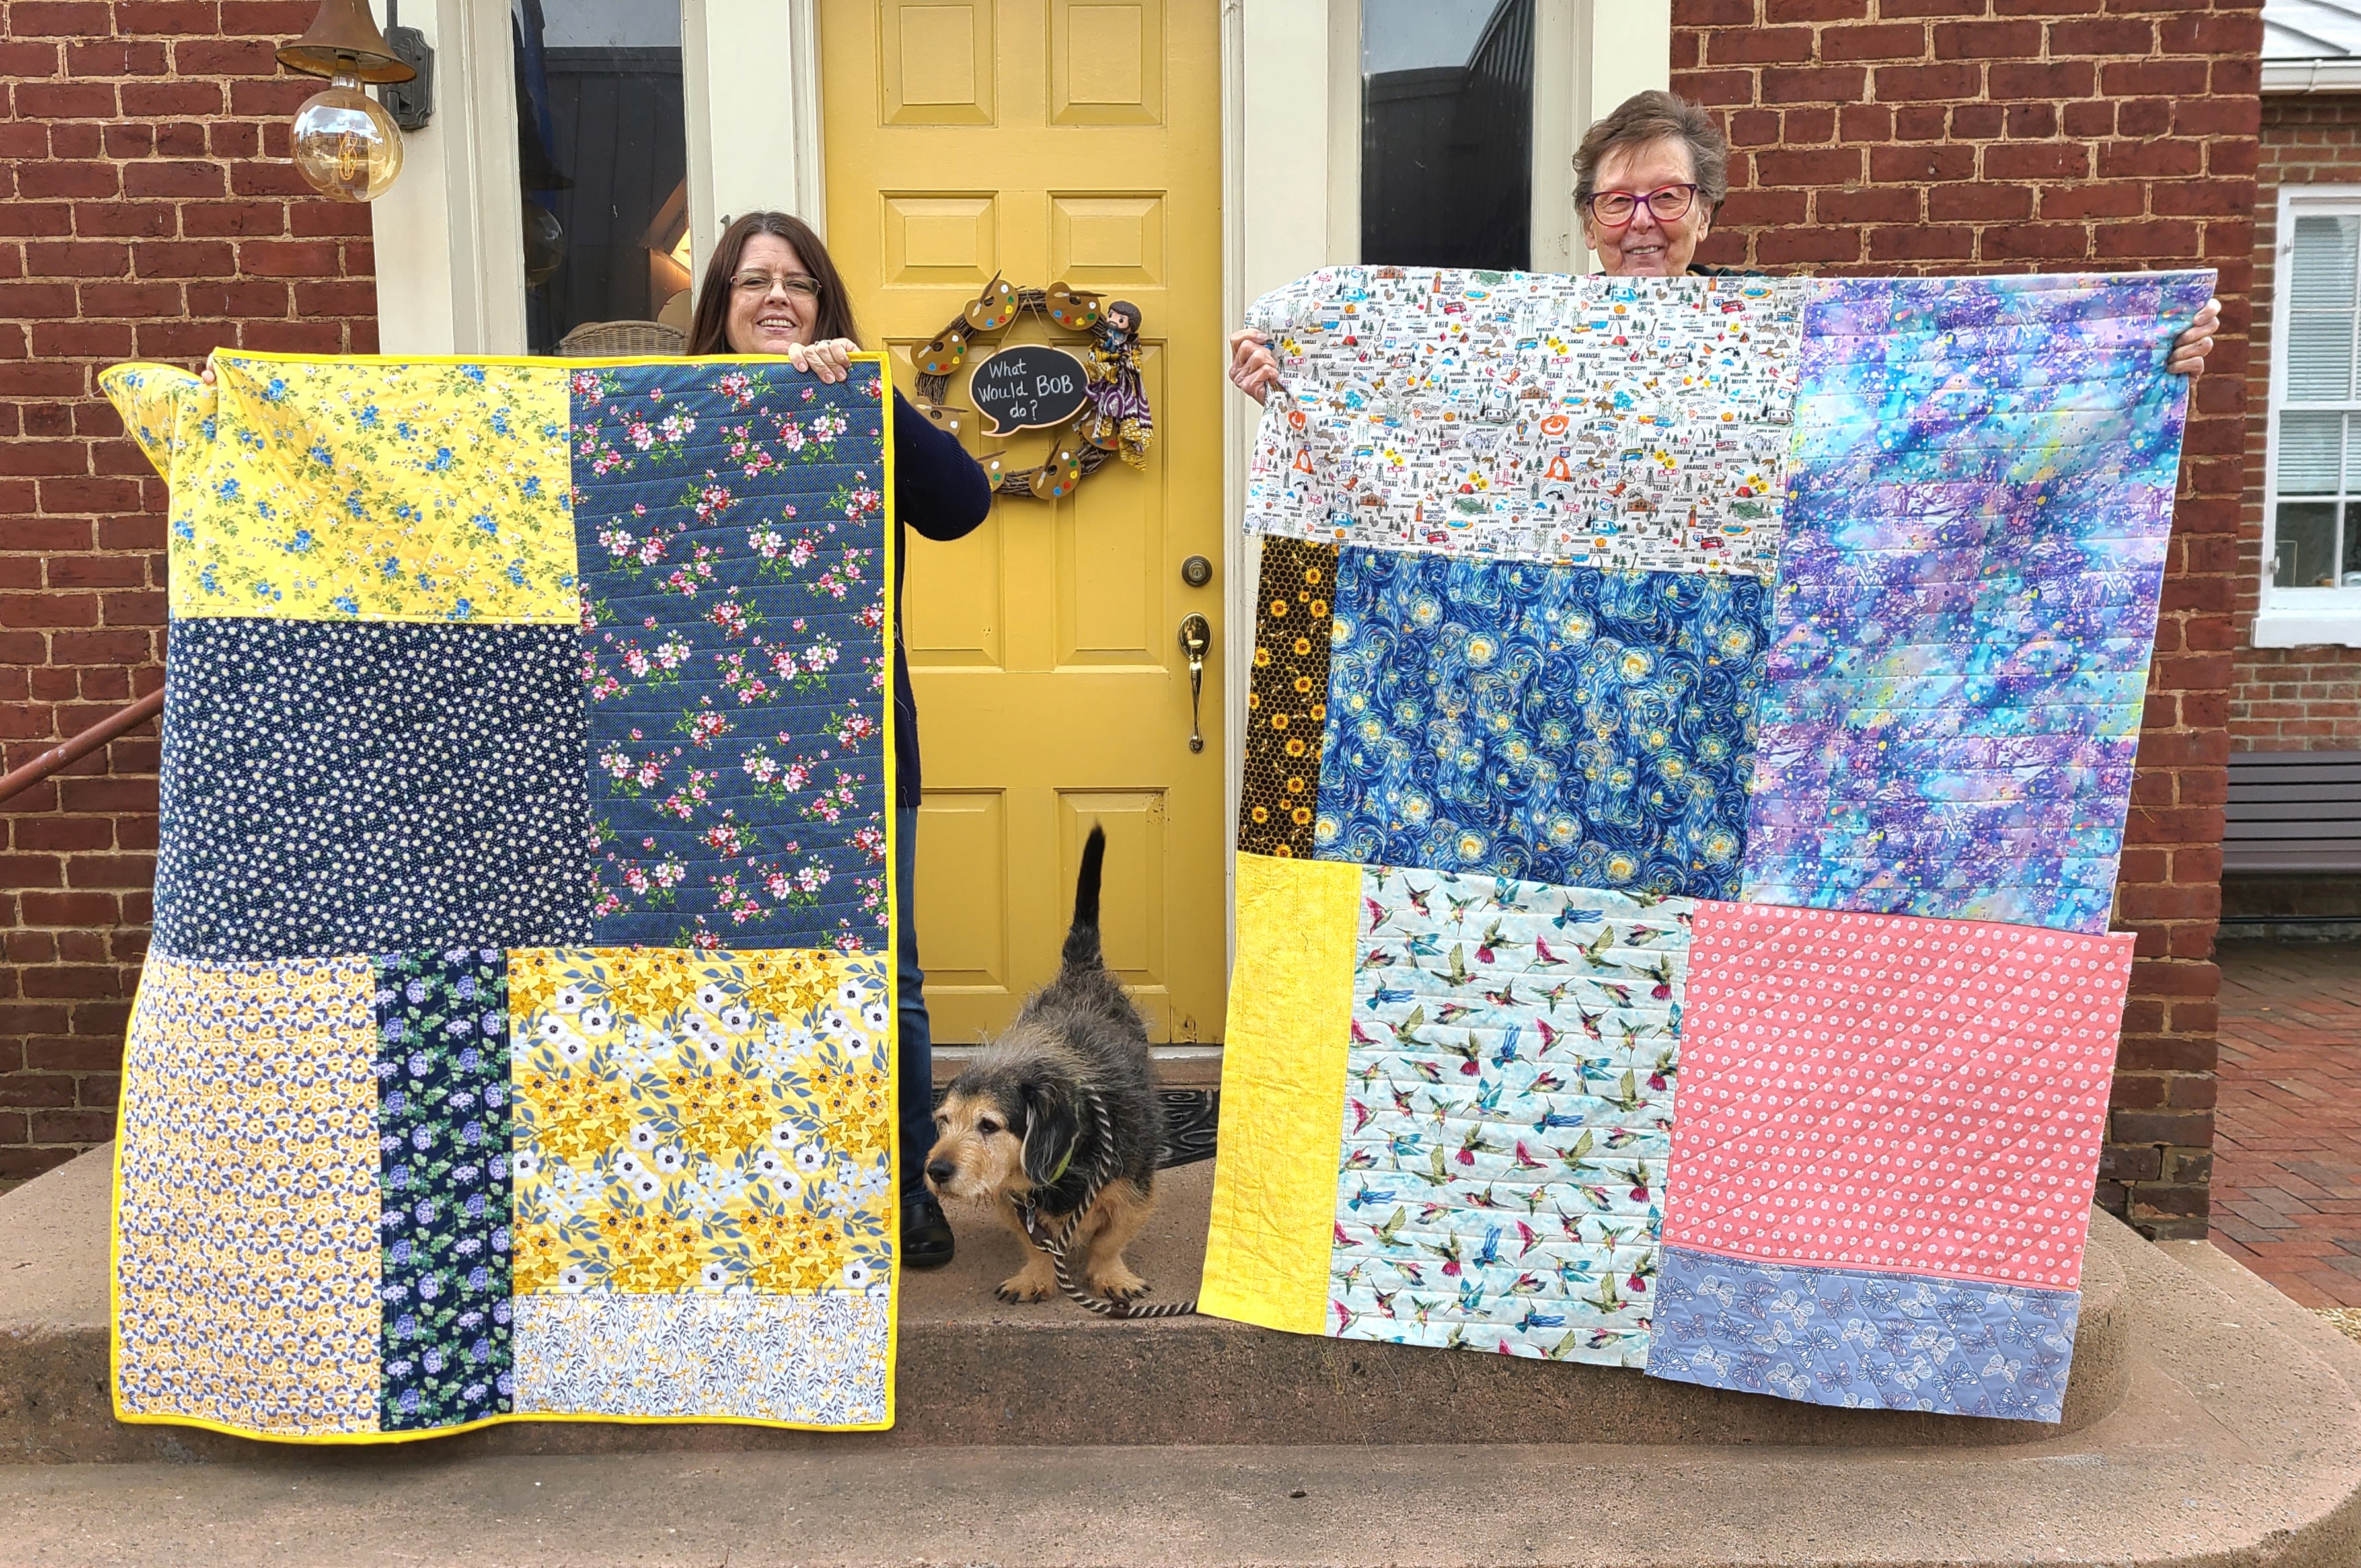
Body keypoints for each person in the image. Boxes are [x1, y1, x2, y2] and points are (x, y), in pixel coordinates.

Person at [689, 210, 991, 1271]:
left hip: (859, 746)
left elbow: (960, 505)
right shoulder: (669, 412)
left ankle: (908, 1185)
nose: (776, 297)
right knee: (728, 969)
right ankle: (753, 1175)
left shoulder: (853, 405)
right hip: (703, 751)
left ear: (824, 304)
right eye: (752, 280)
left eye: (798, 281)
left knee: (887, 976)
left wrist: (871, 395)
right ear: (720, 305)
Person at [1227, 88, 2219, 397]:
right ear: (1588, 222)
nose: (1641, 222)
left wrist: (2130, 357)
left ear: (1705, 212)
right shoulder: (1523, 334)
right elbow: (1421, 407)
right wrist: (1300, 378)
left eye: (1666, 197)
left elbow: (1933, 379)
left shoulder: (1769, 326)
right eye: (1617, 203)